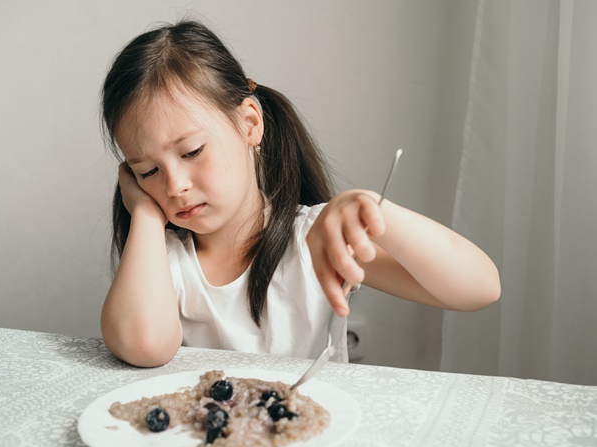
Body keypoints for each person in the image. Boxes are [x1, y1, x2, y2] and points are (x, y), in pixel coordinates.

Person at [99, 20, 501, 368]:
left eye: (192, 152)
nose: (174, 186)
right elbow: (144, 346)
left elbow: (480, 288)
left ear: (250, 123)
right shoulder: (165, 259)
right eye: (147, 171)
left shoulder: (314, 240)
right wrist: (147, 218)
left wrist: (374, 211)